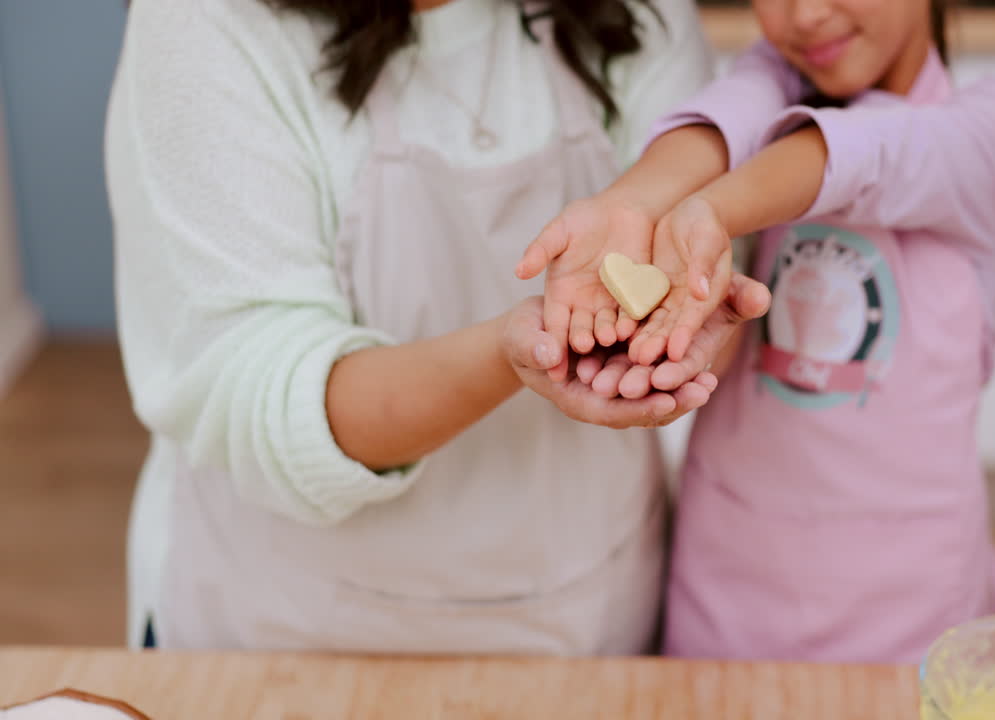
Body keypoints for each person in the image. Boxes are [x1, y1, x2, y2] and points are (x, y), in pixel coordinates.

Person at [105, 0, 769, 653]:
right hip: (290, 635)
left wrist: (688, 316)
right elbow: (255, 386)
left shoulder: (641, 11)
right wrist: (509, 353)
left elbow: (701, 252)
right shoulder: (203, 22)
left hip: (587, 623)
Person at [519, 0, 995, 662]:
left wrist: (712, 209)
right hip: (721, 601)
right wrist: (629, 202)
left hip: (905, 614)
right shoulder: (770, 79)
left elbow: (872, 152)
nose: (803, 15)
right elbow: (729, 117)